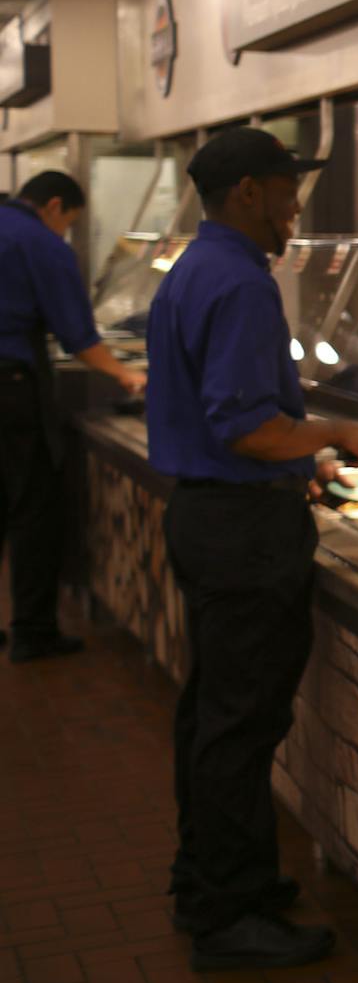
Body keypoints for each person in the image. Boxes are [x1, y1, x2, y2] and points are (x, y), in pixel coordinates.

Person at [148, 128, 358, 972]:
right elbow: (248, 426)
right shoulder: (240, 281)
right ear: (247, 191)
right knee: (240, 725)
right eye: (287, 189)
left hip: (208, 520)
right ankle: (228, 912)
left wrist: (300, 459)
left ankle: (209, 878)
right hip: (243, 532)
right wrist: (339, 434)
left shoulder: (192, 270)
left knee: (213, 715)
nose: (295, 206)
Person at [0, 170, 147, 660]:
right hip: (11, 386)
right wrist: (127, 376)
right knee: (32, 507)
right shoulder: (41, 243)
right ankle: (33, 631)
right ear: (55, 206)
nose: (65, 232)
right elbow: (78, 336)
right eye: (69, 223)